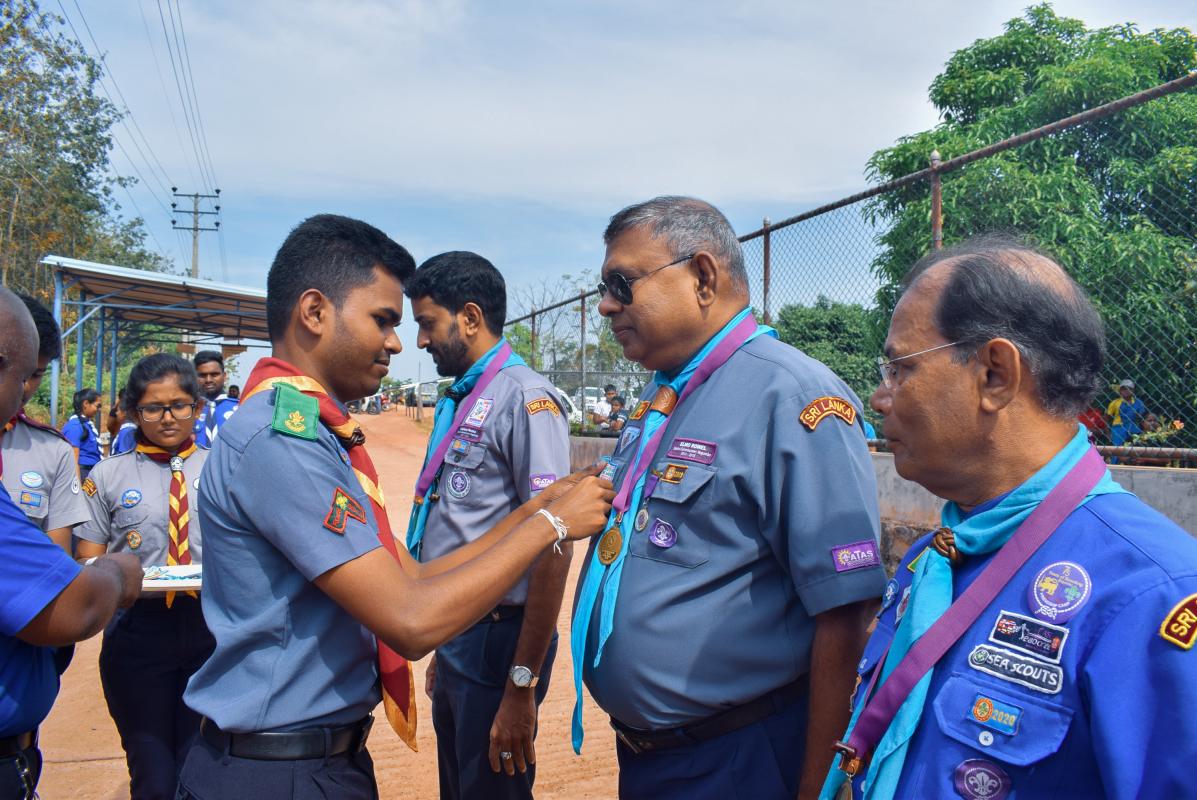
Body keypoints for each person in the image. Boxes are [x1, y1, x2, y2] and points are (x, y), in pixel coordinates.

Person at [178, 214, 613, 800]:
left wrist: (538, 516)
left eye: (412, 323)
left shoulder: (318, 429)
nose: (401, 341)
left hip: (329, 743)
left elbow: (413, 573)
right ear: (314, 312)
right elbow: (409, 620)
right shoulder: (285, 438)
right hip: (281, 770)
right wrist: (553, 522)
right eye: (383, 320)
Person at [821, 236, 1197, 800]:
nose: (880, 396)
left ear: (996, 374)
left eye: (899, 368)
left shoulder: (1151, 594)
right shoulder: (937, 559)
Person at [572, 197, 884, 800]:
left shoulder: (792, 395)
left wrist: (818, 787)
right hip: (652, 756)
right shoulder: (664, 395)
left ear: (703, 277)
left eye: (621, 283)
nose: (607, 304)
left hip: (739, 757)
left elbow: (845, 613)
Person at [405, 251, 572, 800]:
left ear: (470, 318)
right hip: (460, 635)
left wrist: (521, 686)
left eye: (428, 324)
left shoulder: (525, 400)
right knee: (458, 786)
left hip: (501, 643)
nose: (421, 341)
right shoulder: (466, 396)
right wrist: (442, 648)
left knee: (491, 789)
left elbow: (554, 541)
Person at [0, 286, 143, 800]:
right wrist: (114, 573)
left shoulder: (48, 449)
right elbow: (69, 604)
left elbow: (55, 559)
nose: (25, 393)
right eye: (21, 376)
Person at [75, 354, 214, 800]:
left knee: (202, 768)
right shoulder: (107, 476)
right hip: (138, 633)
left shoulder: (223, 471)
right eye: (153, 408)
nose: (168, 417)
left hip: (212, 631)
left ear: (198, 406)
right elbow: (90, 560)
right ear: (134, 412)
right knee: (152, 774)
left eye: (180, 405)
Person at [1, 294, 90, 553]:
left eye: (35, 374)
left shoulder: (52, 451)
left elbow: (57, 561)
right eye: (16, 371)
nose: (24, 386)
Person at [191, 351, 238, 447]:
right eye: (202, 375)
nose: (208, 380)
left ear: (224, 376)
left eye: (214, 374)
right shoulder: (188, 410)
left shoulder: (239, 409)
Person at [62, 388, 102, 479]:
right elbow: (73, 460)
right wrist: (77, 486)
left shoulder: (86, 424)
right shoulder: (74, 426)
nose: (99, 410)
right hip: (83, 473)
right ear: (86, 404)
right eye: (97, 406)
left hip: (91, 472)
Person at [1104, 378, 1146, 446]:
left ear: (1133, 390)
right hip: (1118, 429)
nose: (1126, 391)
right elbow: (1106, 417)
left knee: (1135, 448)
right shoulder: (1115, 403)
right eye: (1123, 389)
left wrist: (1144, 431)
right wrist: (1108, 433)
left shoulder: (1139, 403)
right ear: (1120, 391)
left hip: (1134, 427)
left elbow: (1143, 418)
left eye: (1129, 388)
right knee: (1118, 450)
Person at [109, 390, 139, 456]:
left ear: (124, 413)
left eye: (118, 410)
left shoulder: (127, 432)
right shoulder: (127, 429)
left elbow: (124, 456)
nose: (116, 413)